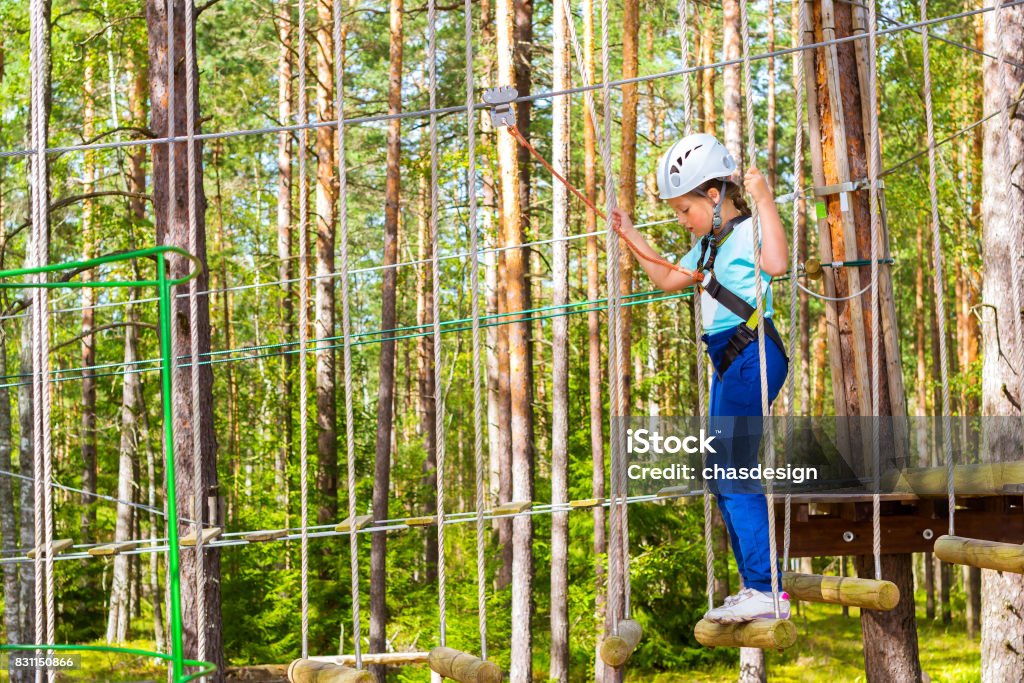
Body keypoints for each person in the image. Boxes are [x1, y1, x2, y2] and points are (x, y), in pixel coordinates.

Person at [611, 133, 791, 623]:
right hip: (731, 361)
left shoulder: (750, 229)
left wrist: (765, 199)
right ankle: (758, 586)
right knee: (721, 475)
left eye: (684, 210)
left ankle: (766, 587)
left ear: (714, 196)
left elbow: (777, 264)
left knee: (733, 469)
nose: (681, 220)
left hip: (753, 352)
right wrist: (630, 234)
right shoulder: (708, 248)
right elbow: (667, 277)